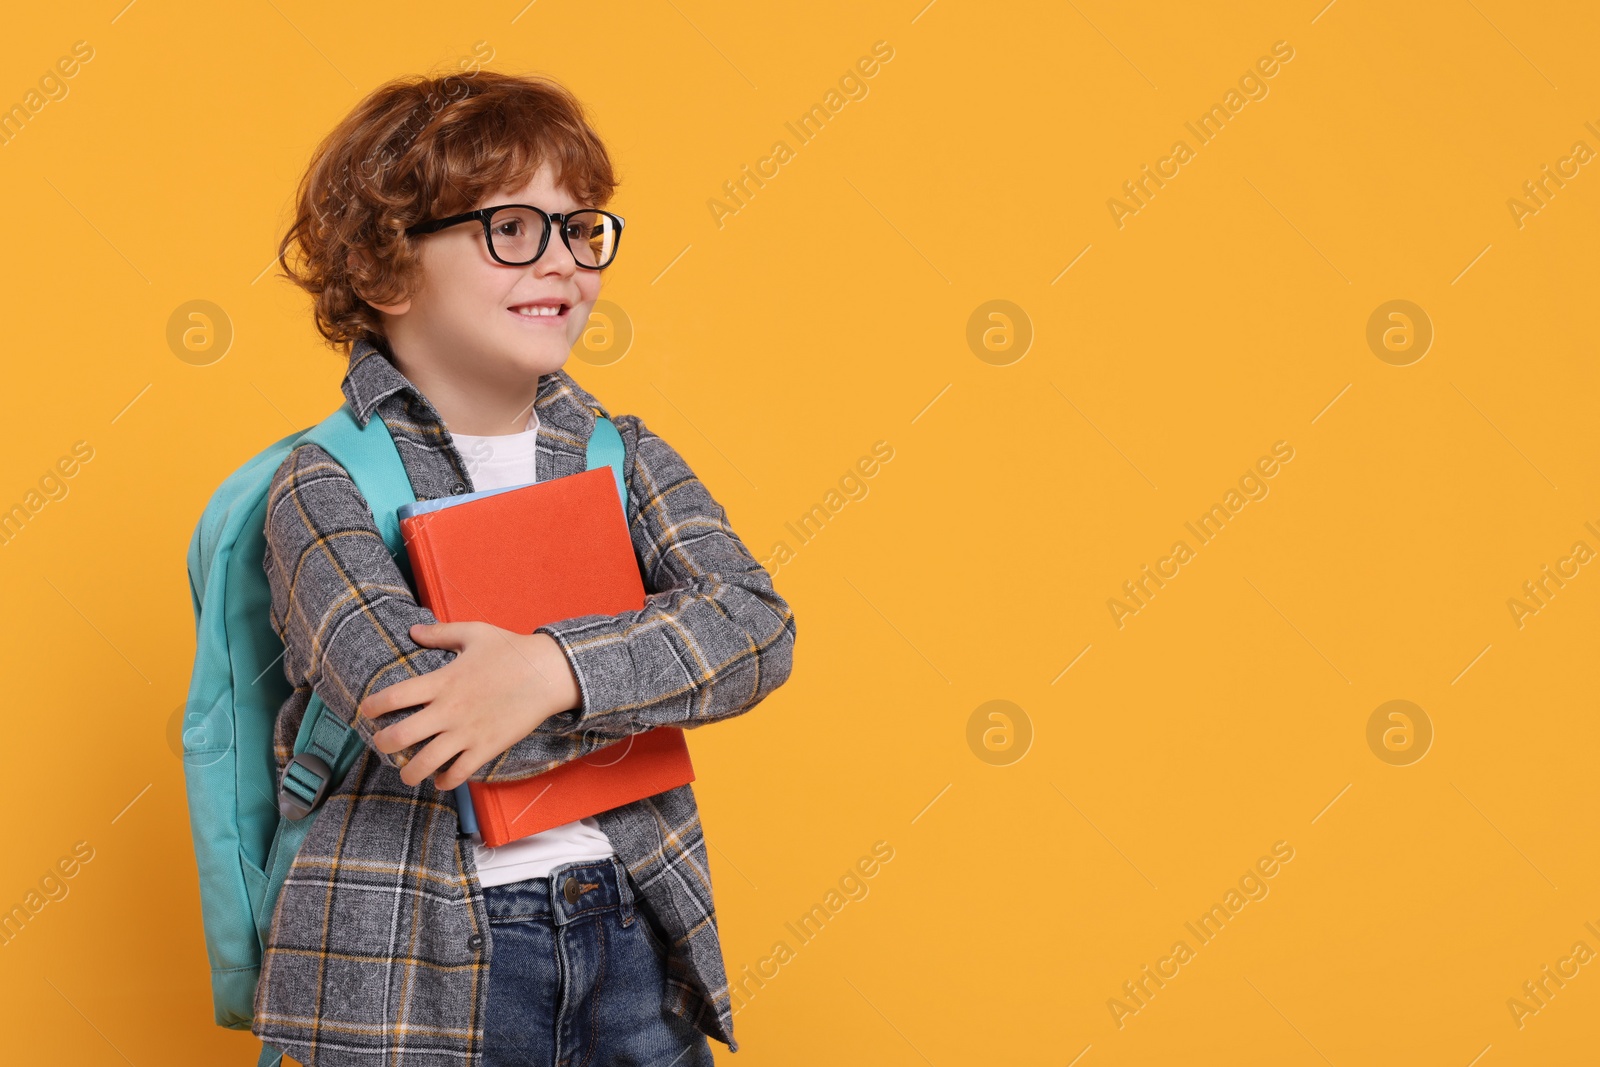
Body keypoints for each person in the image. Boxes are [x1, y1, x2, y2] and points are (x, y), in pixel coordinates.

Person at [257, 68, 796, 1067]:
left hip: (629, 923)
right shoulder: (322, 482)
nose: (564, 261)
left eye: (580, 227)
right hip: (409, 968)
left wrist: (550, 668)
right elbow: (422, 719)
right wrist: (649, 675)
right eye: (512, 227)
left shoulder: (623, 455)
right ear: (386, 270)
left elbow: (757, 627)